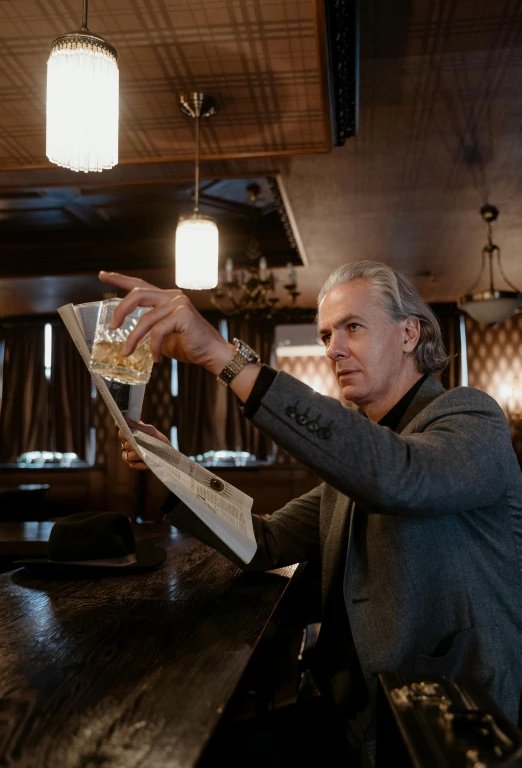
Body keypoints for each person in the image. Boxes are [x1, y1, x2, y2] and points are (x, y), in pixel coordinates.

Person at [101, 260, 522, 765]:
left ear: (410, 332)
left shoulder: (471, 416)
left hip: (438, 723)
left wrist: (223, 356)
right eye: (326, 334)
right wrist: (171, 468)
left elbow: (397, 477)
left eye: (353, 327)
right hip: (350, 710)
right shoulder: (355, 461)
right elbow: (265, 542)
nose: (333, 349)